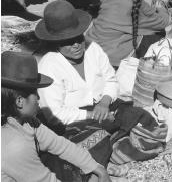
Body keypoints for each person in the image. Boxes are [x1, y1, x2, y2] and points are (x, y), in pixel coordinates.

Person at [1, 51, 111, 182]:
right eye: (35, 94)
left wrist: (98, 169)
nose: (39, 98)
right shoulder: (14, 146)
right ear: (19, 101)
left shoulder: (27, 122)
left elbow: (59, 145)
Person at [34, 0, 119, 127]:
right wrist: (92, 115)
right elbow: (55, 114)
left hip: (104, 105)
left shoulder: (93, 49)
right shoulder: (48, 67)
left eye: (79, 38)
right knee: (97, 140)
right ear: (55, 42)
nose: (76, 45)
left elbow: (111, 80)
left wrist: (104, 103)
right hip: (73, 120)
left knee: (136, 115)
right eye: (68, 41)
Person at [86, 0, 171, 68]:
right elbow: (164, 22)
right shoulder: (137, 6)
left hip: (90, 49)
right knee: (159, 36)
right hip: (111, 60)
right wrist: (161, 8)